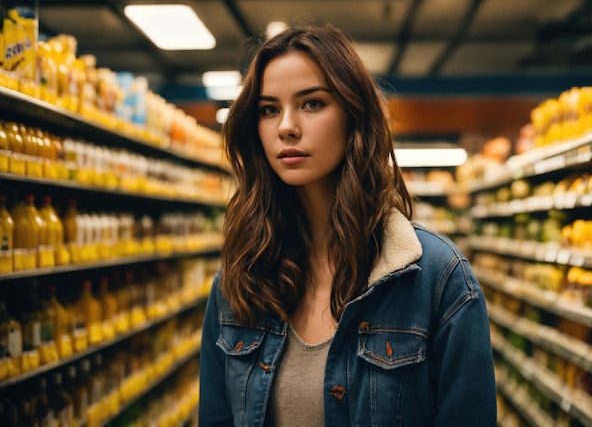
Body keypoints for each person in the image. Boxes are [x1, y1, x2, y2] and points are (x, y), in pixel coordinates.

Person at [199, 24, 496, 427]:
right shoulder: (239, 282)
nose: (286, 126)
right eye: (269, 109)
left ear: (354, 116)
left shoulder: (440, 282)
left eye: (312, 104)